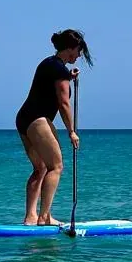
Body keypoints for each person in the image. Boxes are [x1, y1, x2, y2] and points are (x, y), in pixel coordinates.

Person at [16, 29, 93, 225]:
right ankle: (44, 217)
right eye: (78, 51)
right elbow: (64, 103)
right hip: (38, 119)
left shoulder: (49, 64)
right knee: (56, 166)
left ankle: (31, 217)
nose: (79, 55)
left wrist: (69, 76)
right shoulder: (59, 70)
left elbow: (52, 84)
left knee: (40, 168)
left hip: (24, 118)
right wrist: (72, 132)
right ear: (70, 48)